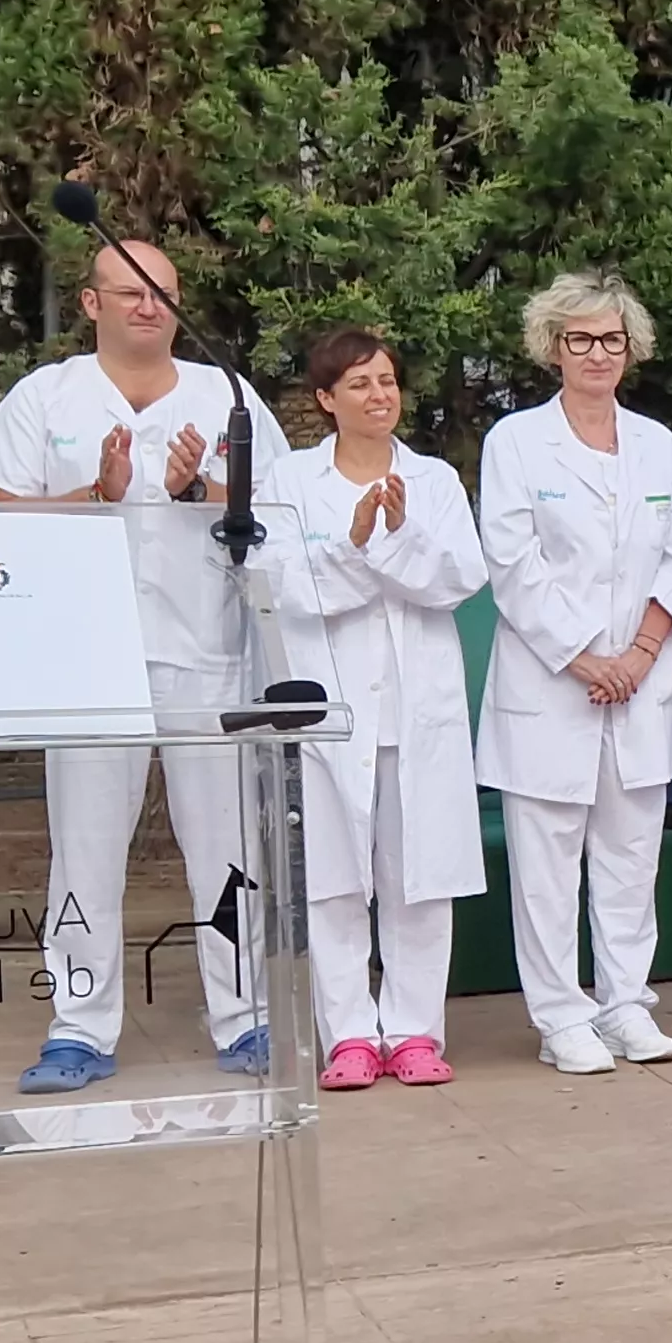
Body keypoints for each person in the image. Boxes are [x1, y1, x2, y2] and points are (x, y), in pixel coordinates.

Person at [0, 241, 279, 1091]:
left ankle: (246, 1013)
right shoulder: (46, 397)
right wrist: (94, 497)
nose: (150, 306)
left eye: (166, 294)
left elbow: (283, 514)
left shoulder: (227, 394)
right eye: (131, 292)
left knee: (225, 843)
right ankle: (79, 1025)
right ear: (91, 302)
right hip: (85, 655)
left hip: (205, 652)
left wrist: (195, 491)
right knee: (86, 850)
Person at [477, 273, 672, 1075]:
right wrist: (586, 659)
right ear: (552, 348)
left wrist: (638, 655)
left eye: (611, 339)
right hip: (552, 684)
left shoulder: (659, 446)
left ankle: (623, 1003)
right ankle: (560, 1016)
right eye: (580, 339)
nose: (598, 353)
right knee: (544, 863)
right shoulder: (514, 442)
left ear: (631, 348)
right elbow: (512, 564)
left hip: (640, 684)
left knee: (629, 856)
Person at [267, 331, 487, 1088]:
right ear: (326, 399)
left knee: (419, 876)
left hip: (418, 710)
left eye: (388, 381)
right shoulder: (290, 481)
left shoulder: (433, 482)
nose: (378, 396)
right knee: (334, 879)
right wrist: (359, 544)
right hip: (334, 710)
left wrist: (392, 538)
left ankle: (416, 1031)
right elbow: (288, 586)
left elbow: (459, 577)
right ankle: (350, 1035)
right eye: (359, 384)